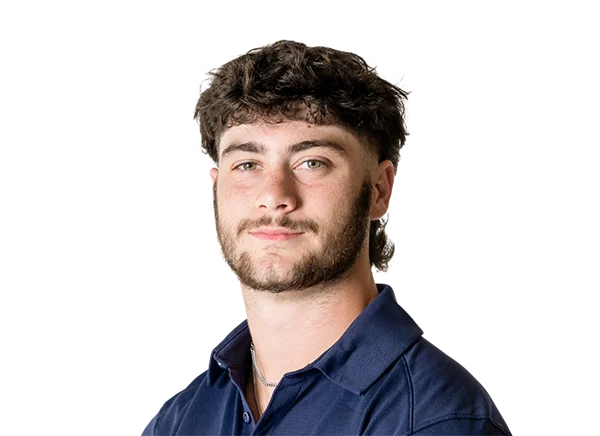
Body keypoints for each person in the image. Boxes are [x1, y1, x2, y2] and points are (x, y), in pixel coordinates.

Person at [142, 39, 513, 436]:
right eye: (247, 164)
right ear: (215, 188)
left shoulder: (433, 420)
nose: (274, 196)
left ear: (379, 190)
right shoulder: (181, 416)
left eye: (312, 162)